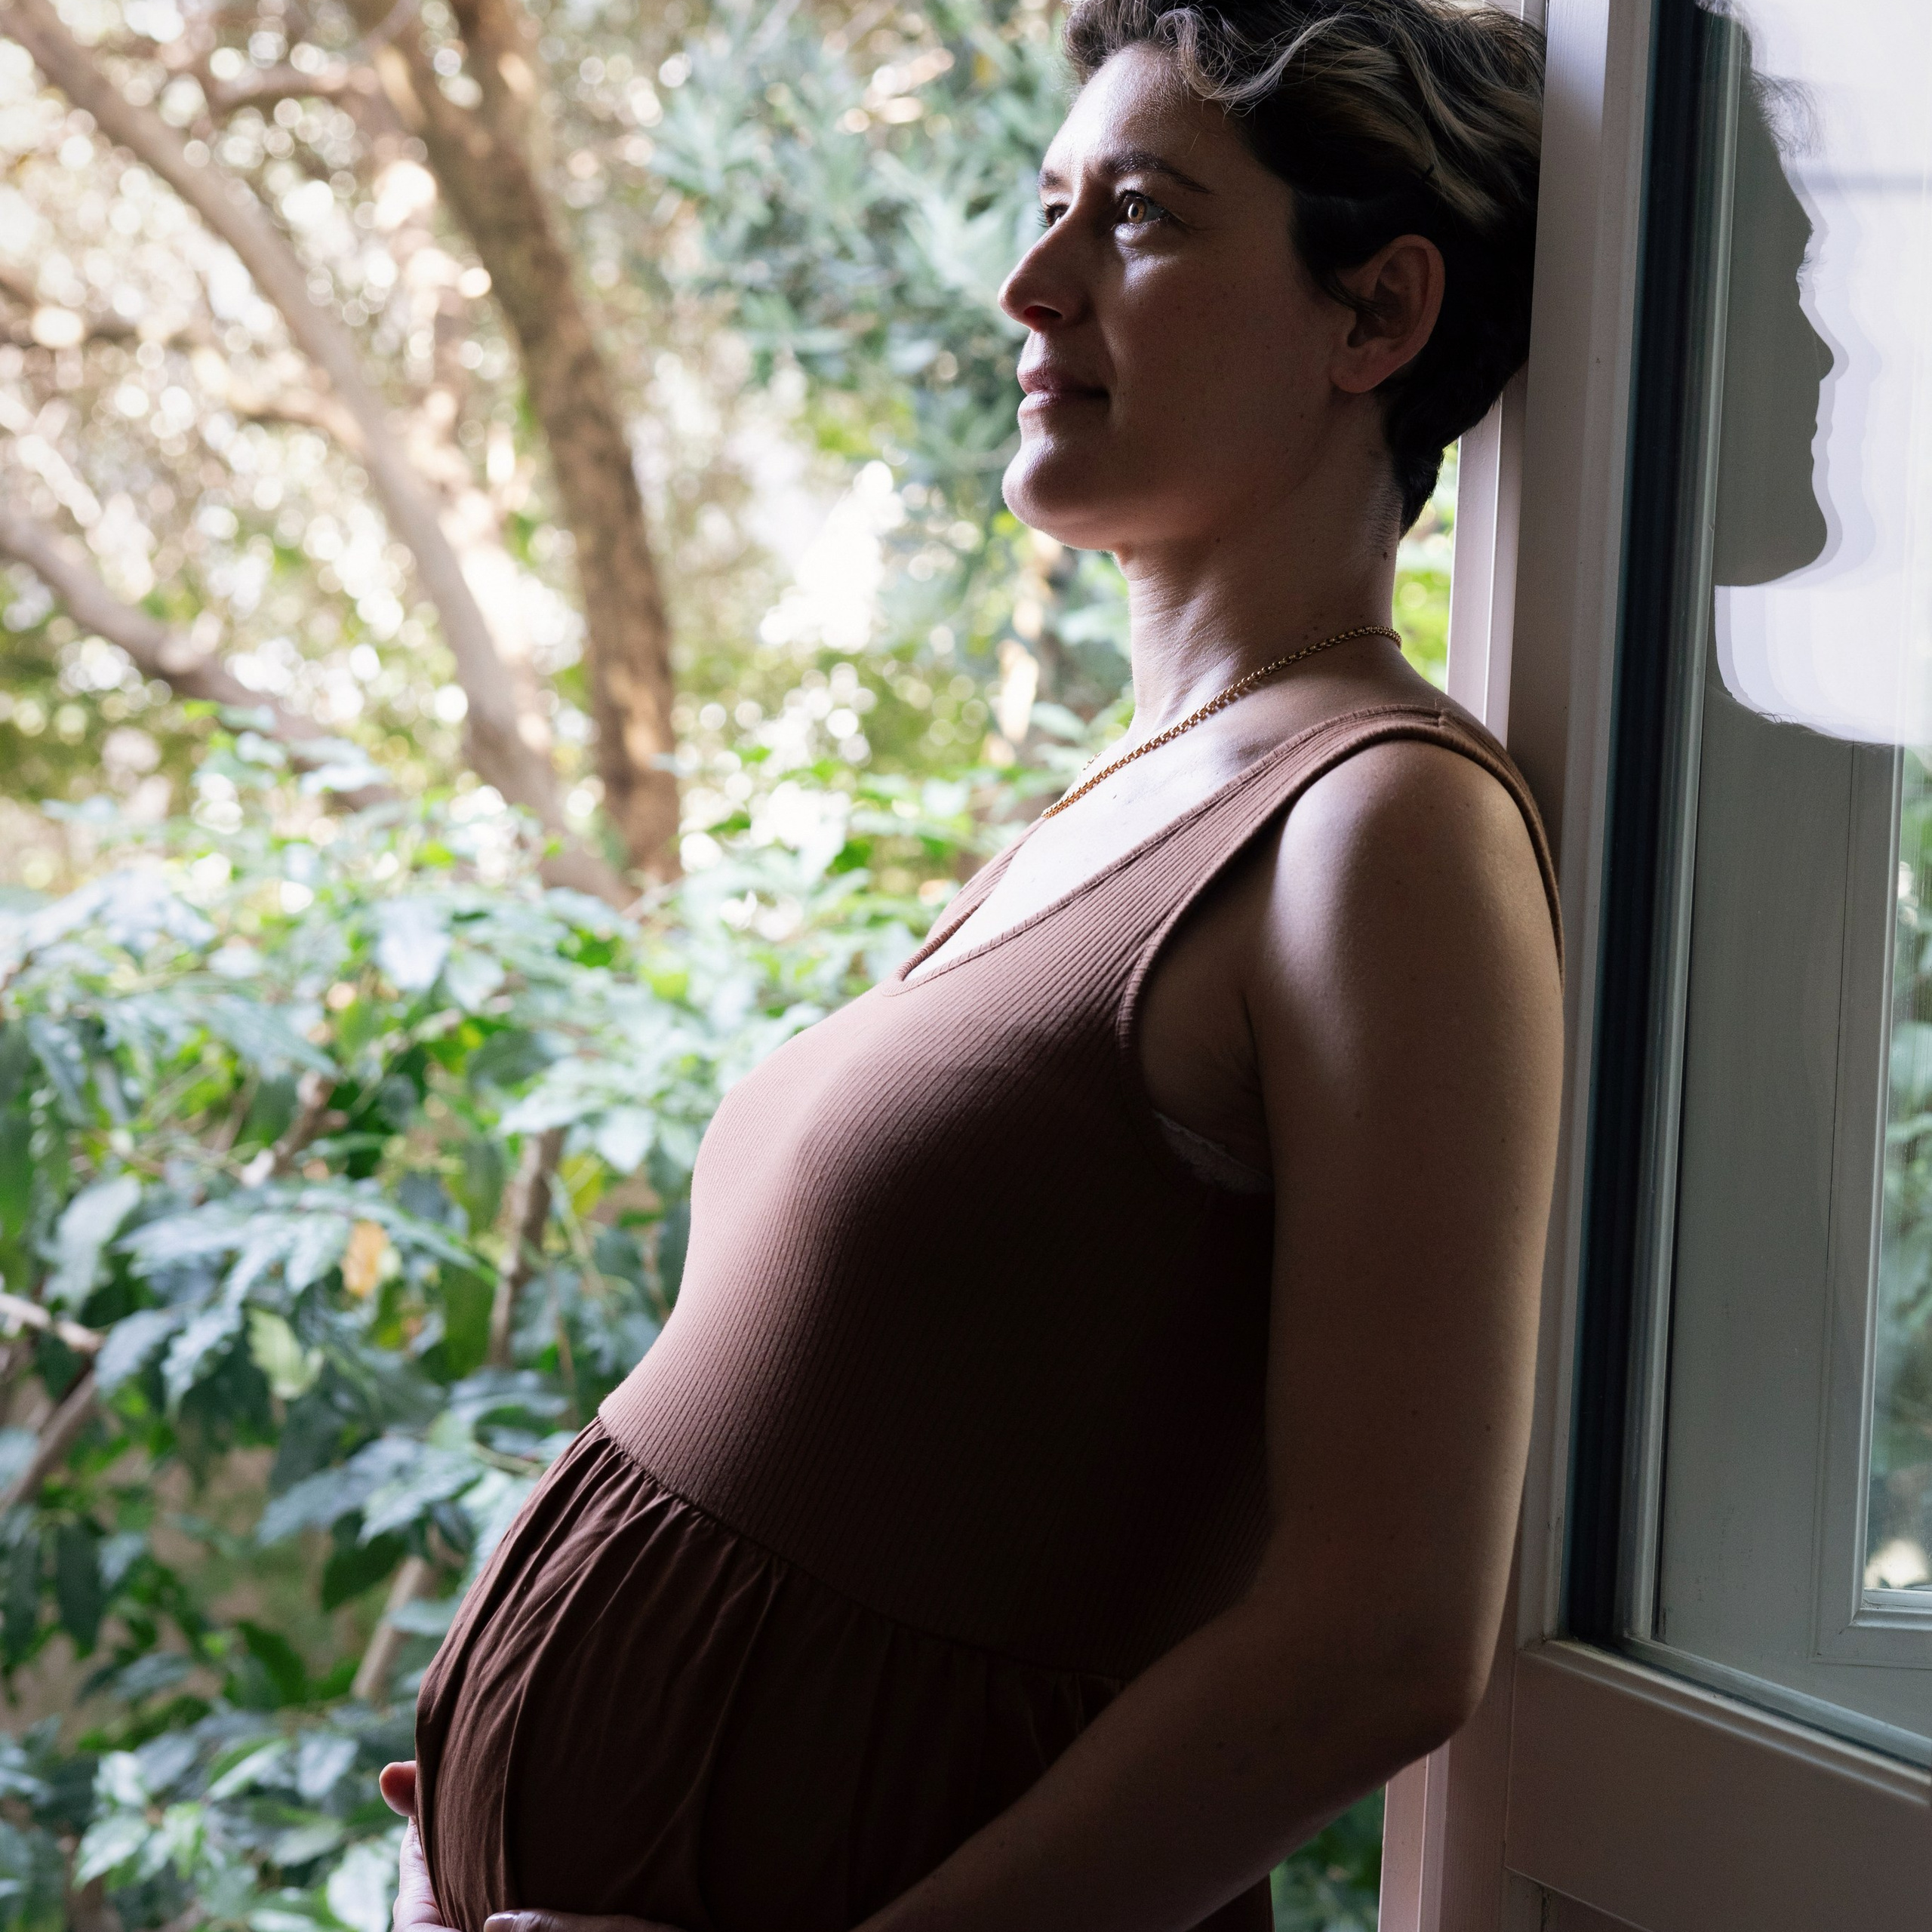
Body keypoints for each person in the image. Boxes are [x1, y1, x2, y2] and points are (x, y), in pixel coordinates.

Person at [377, 4, 1563, 1928]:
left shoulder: (1381, 826)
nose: (1028, 285)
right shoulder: (1117, 798)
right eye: (1041, 208)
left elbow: (1384, 1635)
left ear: (1377, 317)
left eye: (1140, 221)